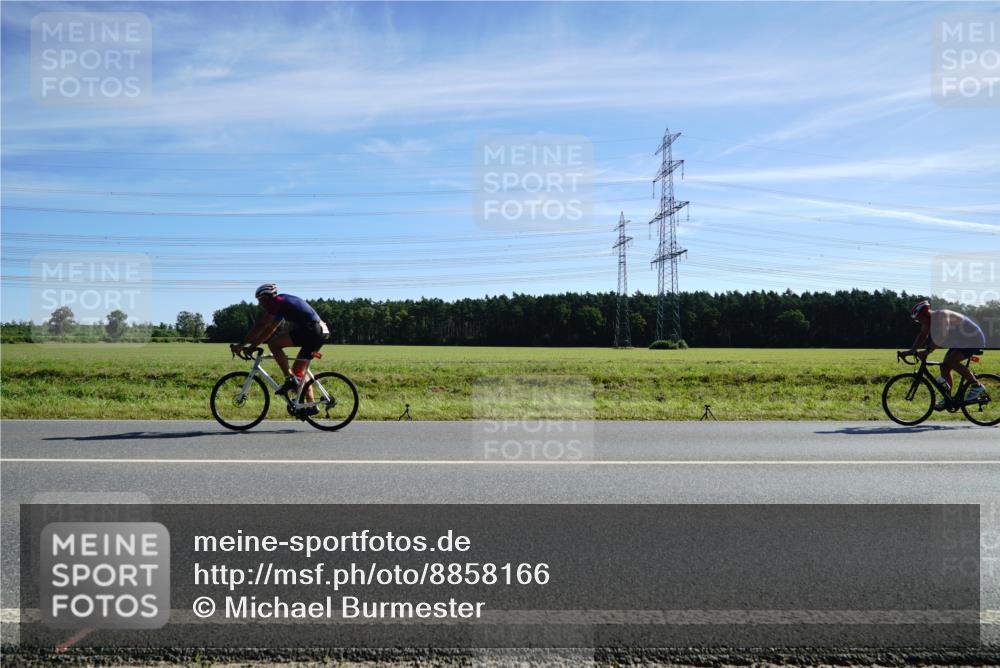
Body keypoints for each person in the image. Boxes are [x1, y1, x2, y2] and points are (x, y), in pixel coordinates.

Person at [230, 284, 330, 415]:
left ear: (268, 297)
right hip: (319, 331)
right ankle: (311, 406)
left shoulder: (277, 301)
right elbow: (270, 328)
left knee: (274, 344)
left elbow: (262, 324)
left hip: (312, 330)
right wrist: (253, 345)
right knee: (298, 371)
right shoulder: (282, 304)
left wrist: (243, 344)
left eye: (261, 300)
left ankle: (289, 379)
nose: (261, 304)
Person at [907, 299, 986, 410]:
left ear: (926, 314)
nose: (920, 322)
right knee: (944, 366)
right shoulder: (928, 321)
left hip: (973, 338)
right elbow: (922, 335)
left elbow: (942, 336)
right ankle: (947, 399)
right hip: (961, 341)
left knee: (951, 361)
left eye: (920, 319)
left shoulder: (942, 315)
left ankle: (976, 386)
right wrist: (911, 351)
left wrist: (927, 351)